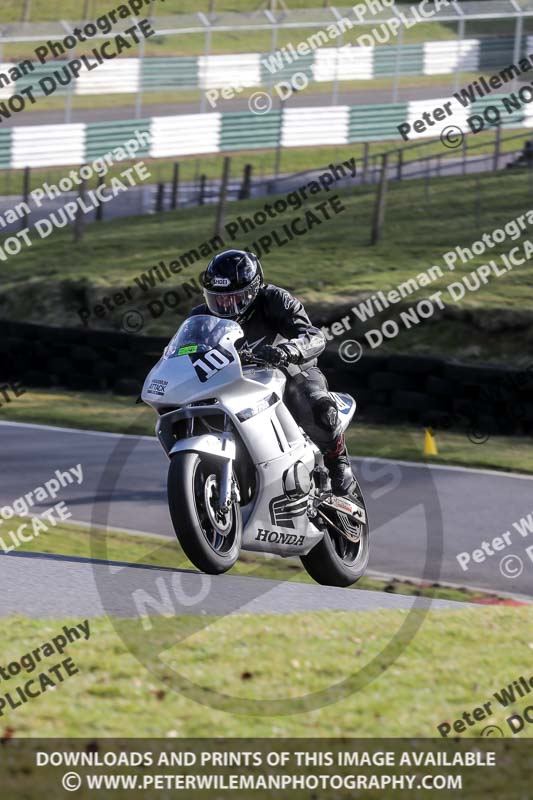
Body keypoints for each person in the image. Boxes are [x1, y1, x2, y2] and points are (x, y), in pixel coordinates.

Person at [189, 249, 359, 497]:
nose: (225, 305)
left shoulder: (275, 300)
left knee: (317, 407)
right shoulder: (200, 317)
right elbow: (183, 351)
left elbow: (313, 336)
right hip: (233, 382)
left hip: (288, 371)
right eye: (218, 298)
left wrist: (289, 350)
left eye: (233, 298)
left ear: (253, 290)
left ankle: (338, 462)